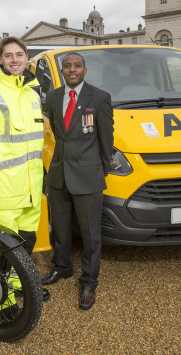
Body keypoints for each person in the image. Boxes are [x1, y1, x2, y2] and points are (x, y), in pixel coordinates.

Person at [0, 36, 50, 313]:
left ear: (26, 57)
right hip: (6, 188)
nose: (15, 60)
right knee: (3, 251)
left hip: (31, 188)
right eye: (9, 56)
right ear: (0, 60)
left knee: (26, 243)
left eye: (19, 54)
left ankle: (20, 285)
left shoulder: (31, 94)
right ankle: (2, 301)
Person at [41, 52, 114, 310]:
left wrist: (100, 171)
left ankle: (89, 280)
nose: (72, 70)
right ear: (62, 70)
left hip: (88, 176)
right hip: (59, 174)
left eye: (77, 66)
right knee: (60, 227)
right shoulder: (52, 97)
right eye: (68, 66)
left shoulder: (100, 97)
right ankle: (61, 266)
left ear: (85, 69)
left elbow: (107, 142)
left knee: (91, 233)